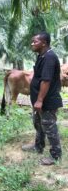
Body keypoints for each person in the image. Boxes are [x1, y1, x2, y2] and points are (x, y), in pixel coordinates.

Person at [22, 32, 62, 165]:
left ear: (44, 43)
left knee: (49, 127)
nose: (32, 43)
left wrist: (39, 100)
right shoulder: (42, 56)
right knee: (38, 124)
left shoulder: (49, 57)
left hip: (47, 100)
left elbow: (46, 81)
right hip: (39, 100)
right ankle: (38, 146)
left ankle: (56, 155)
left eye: (35, 41)